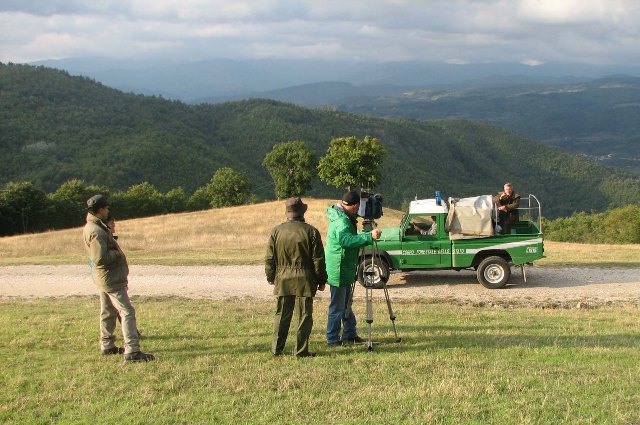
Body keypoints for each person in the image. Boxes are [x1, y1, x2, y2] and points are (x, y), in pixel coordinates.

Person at [83, 195, 154, 362]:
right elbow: (100, 258)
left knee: (108, 311)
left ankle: (107, 346)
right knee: (127, 311)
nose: (108, 211)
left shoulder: (94, 226)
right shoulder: (96, 231)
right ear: (100, 210)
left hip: (104, 277)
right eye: (106, 208)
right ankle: (132, 351)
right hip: (111, 278)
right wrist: (117, 253)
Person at [265, 197, 327, 358]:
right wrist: (321, 280)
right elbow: (318, 260)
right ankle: (301, 351)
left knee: (281, 315)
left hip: (283, 279)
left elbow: (269, 258)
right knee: (304, 317)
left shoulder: (276, 231)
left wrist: (271, 277)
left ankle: (276, 349)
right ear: (302, 211)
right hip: (305, 280)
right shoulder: (311, 231)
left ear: (288, 212)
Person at [325, 191, 382, 346]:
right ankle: (333, 339)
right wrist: (368, 236)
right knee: (337, 307)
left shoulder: (342, 217)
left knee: (346, 304)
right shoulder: (342, 222)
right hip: (339, 268)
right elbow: (345, 240)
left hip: (344, 266)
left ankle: (350, 334)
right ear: (355, 205)